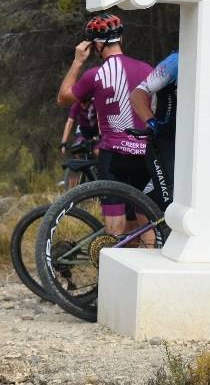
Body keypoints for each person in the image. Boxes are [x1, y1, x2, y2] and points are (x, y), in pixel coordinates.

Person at [57, 13, 152, 237]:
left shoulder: (96, 74)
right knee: (146, 221)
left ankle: (114, 266)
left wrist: (78, 61)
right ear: (121, 39)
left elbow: (63, 98)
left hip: (114, 154)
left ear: (97, 44)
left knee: (115, 230)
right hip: (145, 152)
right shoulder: (147, 69)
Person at [130, 51, 177, 210]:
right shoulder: (177, 60)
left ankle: (147, 229)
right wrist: (152, 123)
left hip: (187, 144)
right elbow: (137, 95)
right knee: (170, 205)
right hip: (164, 143)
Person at [59, 97, 97, 189]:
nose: (83, 105)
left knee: (97, 151)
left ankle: (99, 174)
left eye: (85, 102)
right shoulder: (76, 104)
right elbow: (69, 122)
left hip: (96, 130)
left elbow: (101, 118)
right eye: (81, 102)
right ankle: (77, 178)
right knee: (77, 149)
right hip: (83, 130)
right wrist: (63, 142)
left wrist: (99, 135)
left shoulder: (95, 102)